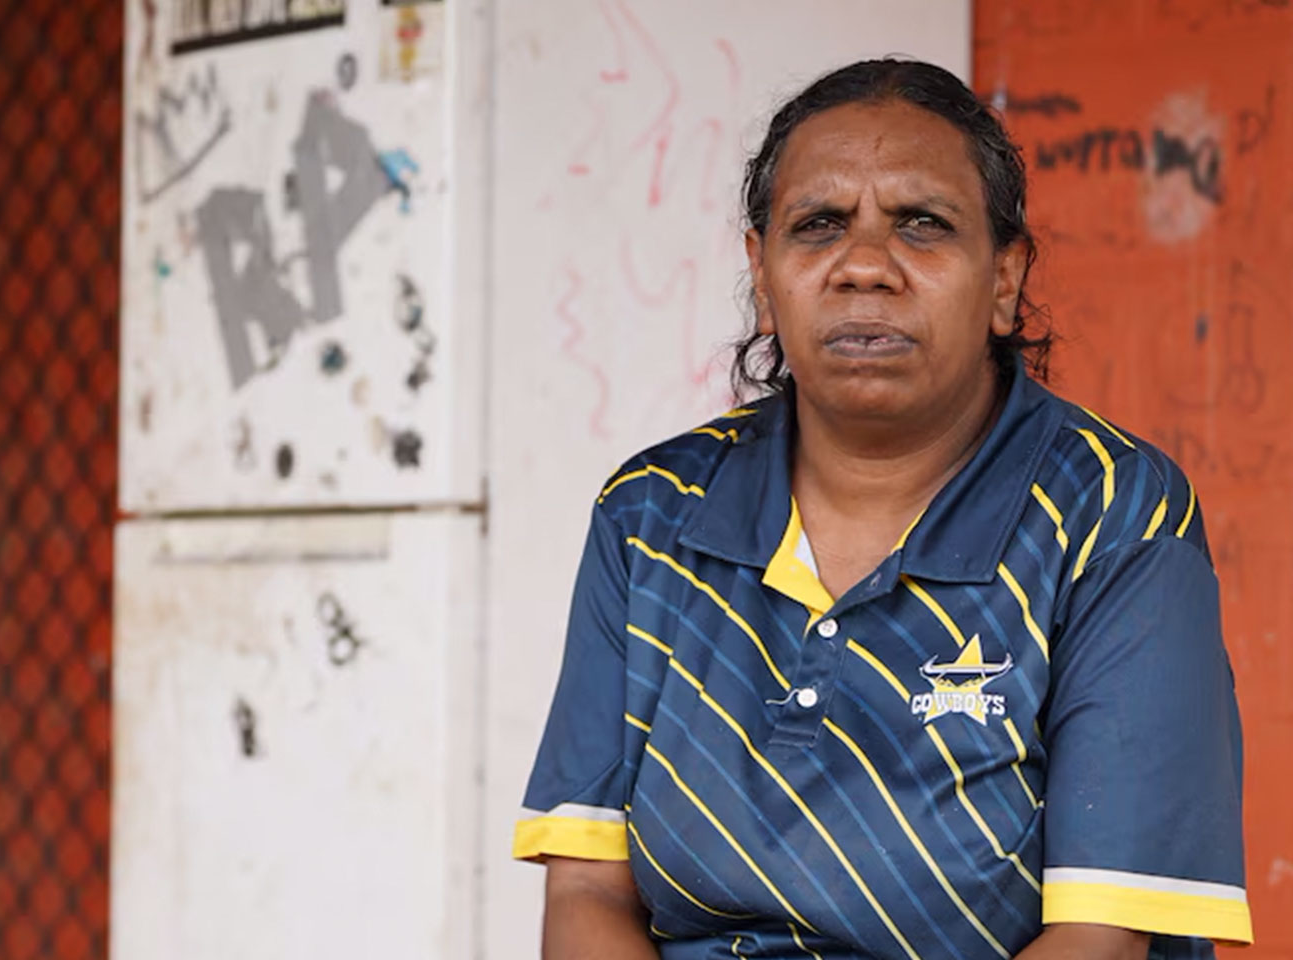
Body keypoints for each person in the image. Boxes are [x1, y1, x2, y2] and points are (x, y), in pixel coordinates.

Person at [512, 59, 1251, 960]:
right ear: (763, 273)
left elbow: (1099, 939)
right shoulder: (652, 516)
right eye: (819, 226)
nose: (864, 266)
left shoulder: (1114, 513)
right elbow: (588, 889)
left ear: (1006, 278)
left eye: (923, 227)